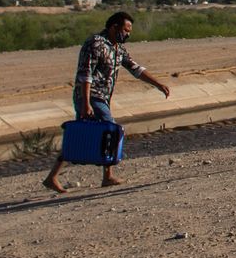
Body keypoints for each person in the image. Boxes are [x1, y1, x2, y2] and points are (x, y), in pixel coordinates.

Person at [45, 11, 170, 192]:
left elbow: (135, 68)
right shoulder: (95, 43)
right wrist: (86, 103)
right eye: (126, 30)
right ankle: (106, 176)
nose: (128, 34)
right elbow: (85, 74)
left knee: (81, 135)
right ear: (114, 27)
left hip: (103, 97)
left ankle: (55, 177)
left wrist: (158, 84)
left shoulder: (118, 48)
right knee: (109, 129)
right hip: (90, 96)